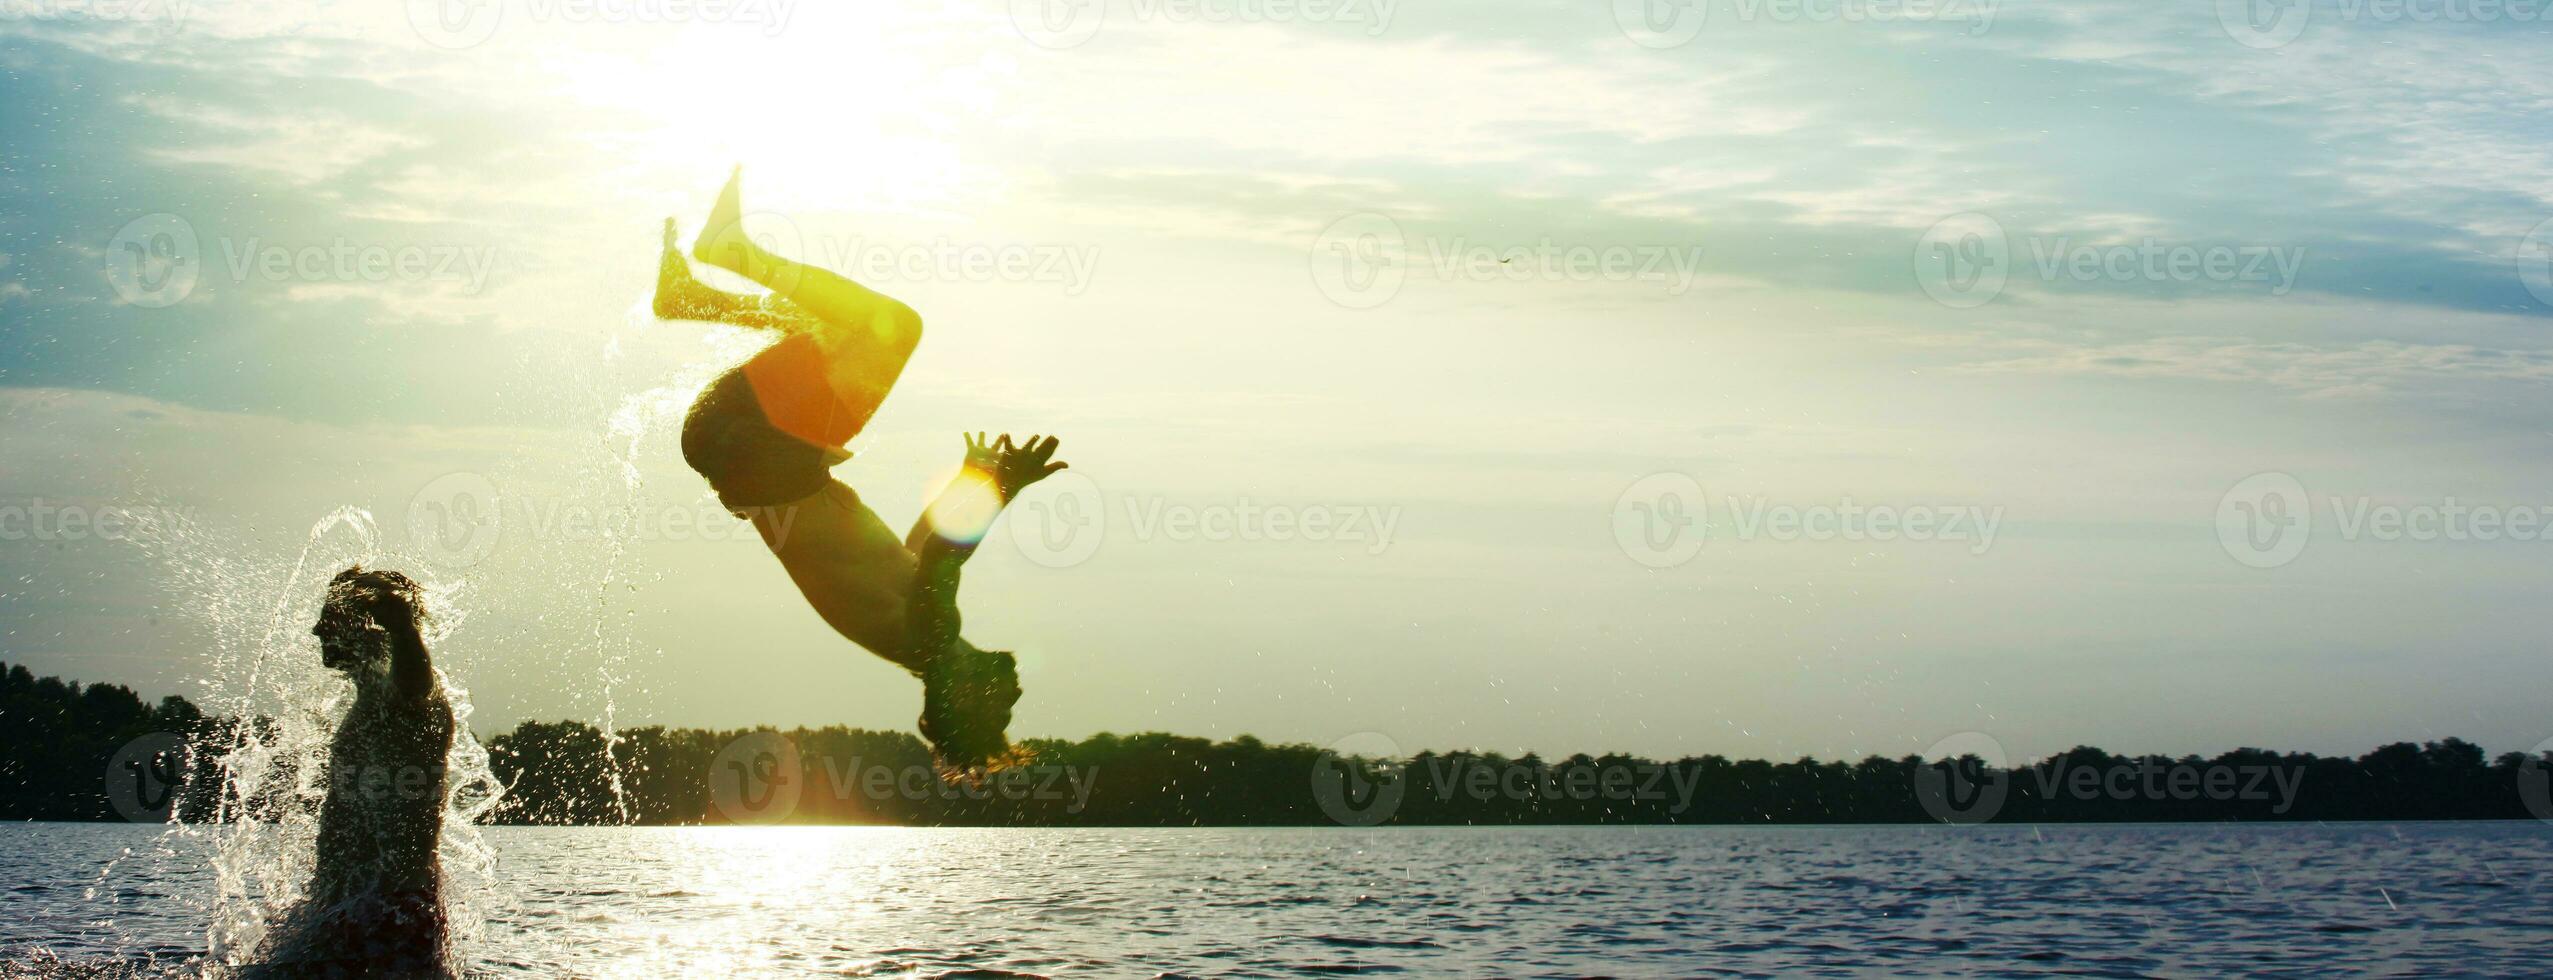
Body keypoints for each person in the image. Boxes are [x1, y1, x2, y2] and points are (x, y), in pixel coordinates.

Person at [654, 167, 1065, 770]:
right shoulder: (913, 635)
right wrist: (973, 478)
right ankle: (692, 299)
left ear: (965, 699)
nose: (1016, 695)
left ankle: (733, 253)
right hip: (738, 445)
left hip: (760, 449)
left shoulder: (931, 637)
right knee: (839, 328)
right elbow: (920, 542)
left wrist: (1004, 487)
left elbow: (944, 555)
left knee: (894, 327)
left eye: (1001, 711)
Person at [279, 566, 456, 977]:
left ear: (370, 625)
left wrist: (403, 628)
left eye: (329, 616)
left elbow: (415, 687)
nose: (317, 629)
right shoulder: (372, 698)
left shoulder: (404, 700)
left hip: (385, 915)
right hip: (354, 911)